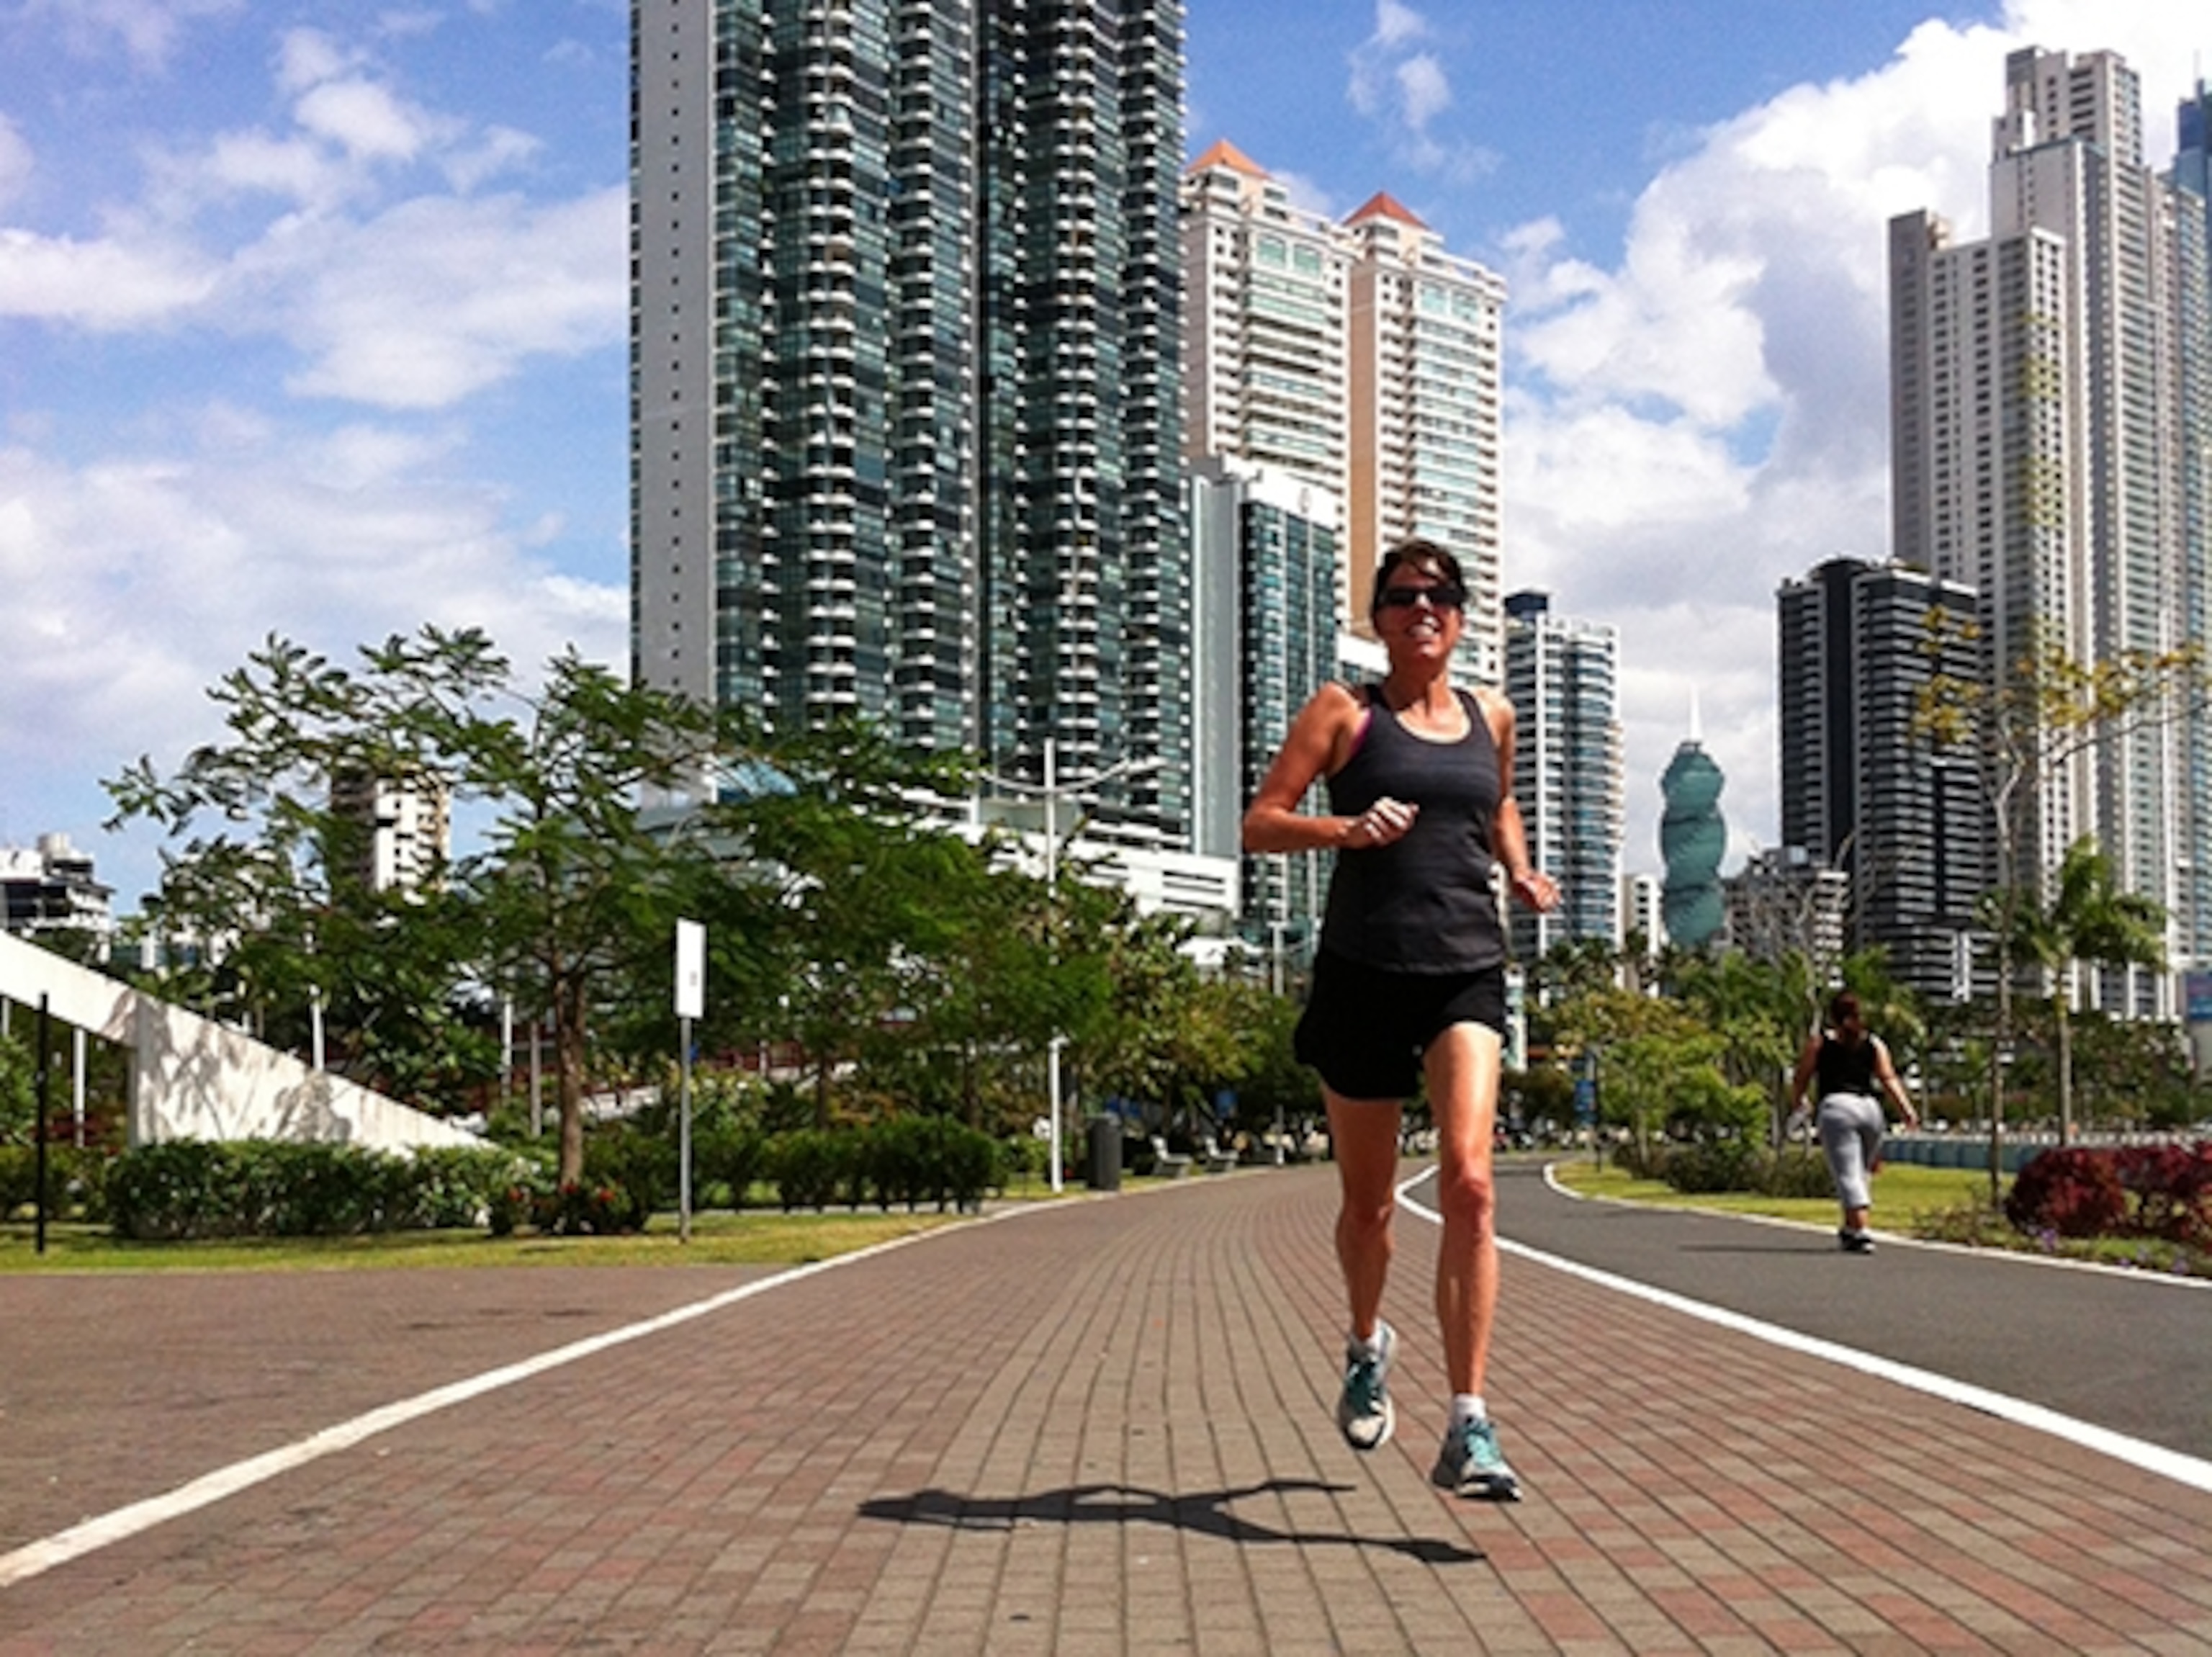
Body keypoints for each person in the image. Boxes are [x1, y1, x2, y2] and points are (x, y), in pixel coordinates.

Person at [1241, 538, 1559, 1502]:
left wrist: (1520, 869)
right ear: (1379, 618)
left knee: (1470, 1182)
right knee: (1370, 1208)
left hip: (1466, 969)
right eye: (1406, 595)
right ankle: (1364, 1343)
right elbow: (1261, 822)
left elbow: (1499, 804)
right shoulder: (1345, 712)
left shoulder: (1492, 715)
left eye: (1443, 596)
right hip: (1363, 972)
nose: (1426, 607)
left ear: (1460, 618)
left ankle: (1469, 1422)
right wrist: (1347, 828)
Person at [1787, 989, 1918, 1253]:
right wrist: (1907, 1110)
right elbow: (1888, 1078)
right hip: (1870, 1109)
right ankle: (1849, 1228)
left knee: (1848, 1172)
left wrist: (1799, 1101)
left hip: (1837, 1108)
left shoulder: (1820, 1043)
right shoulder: (1873, 1044)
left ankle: (1861, 1230)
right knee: (1862, 1171)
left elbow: (1801, 1077)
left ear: (1832, 1016)